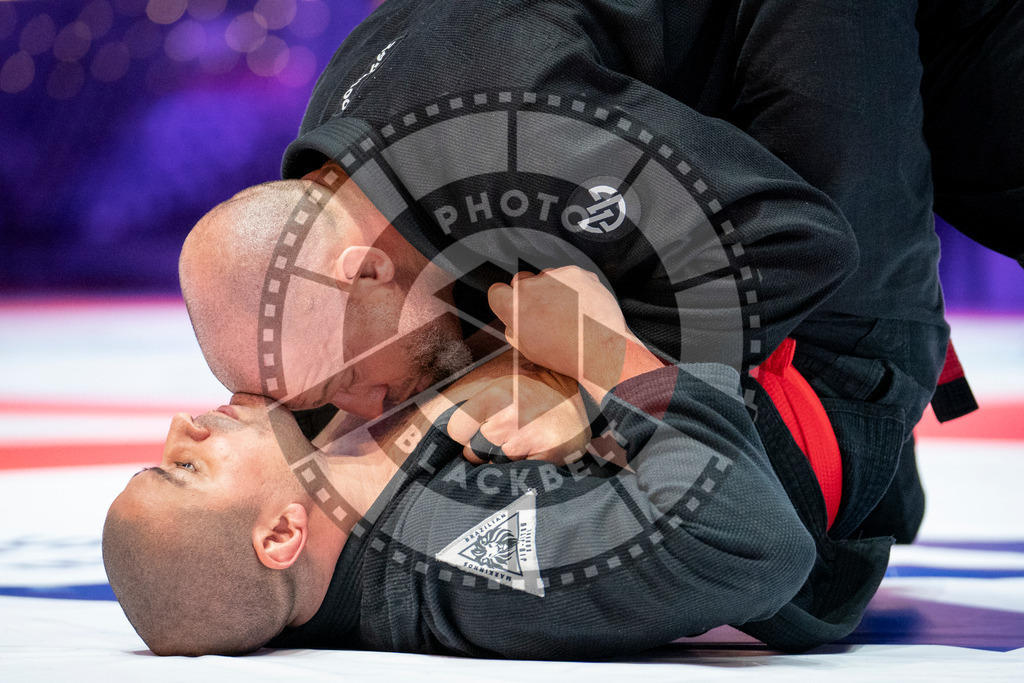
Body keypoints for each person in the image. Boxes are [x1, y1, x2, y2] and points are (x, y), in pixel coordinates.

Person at [105, 267, 818, 658]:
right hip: (819, 388)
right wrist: (600, 350)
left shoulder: (329, 459)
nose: (181, 426)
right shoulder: (461, 563)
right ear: (282, 536)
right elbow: (749, 540)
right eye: (186, 468)